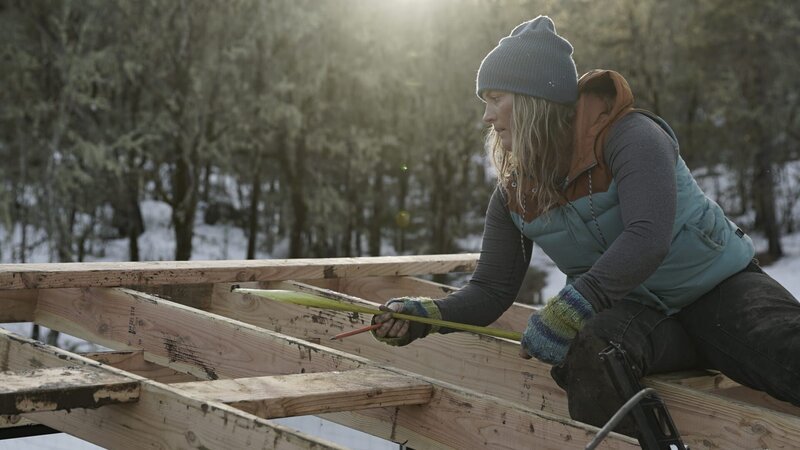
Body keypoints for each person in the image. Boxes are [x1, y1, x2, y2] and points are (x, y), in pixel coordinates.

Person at [372, 15, 800, 435]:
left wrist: (571, 306)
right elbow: (491, 290)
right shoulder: (514, 197)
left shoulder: (630, 137)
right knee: (591, 353)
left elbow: (647, 237)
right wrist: (426, 316)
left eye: (496, 97)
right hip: (638, 317)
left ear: (533, 100)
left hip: (720, 289)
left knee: (785, 349)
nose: (487, 116)